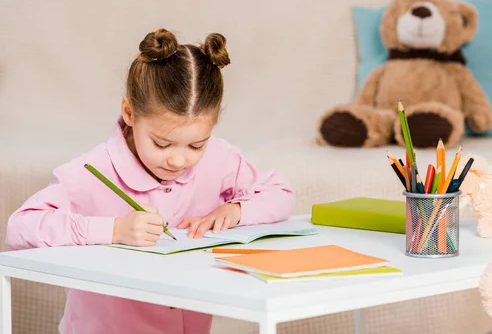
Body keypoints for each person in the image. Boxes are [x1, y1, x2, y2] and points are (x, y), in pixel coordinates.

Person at [5, 28, 295, 333]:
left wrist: (235, 210)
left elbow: (280, 193)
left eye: (196, 145)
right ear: (130, 112)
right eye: (162, 143)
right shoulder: (92, 171)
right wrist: (113, 230)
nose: (179, 160)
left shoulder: (220, 160)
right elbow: (20, 227)